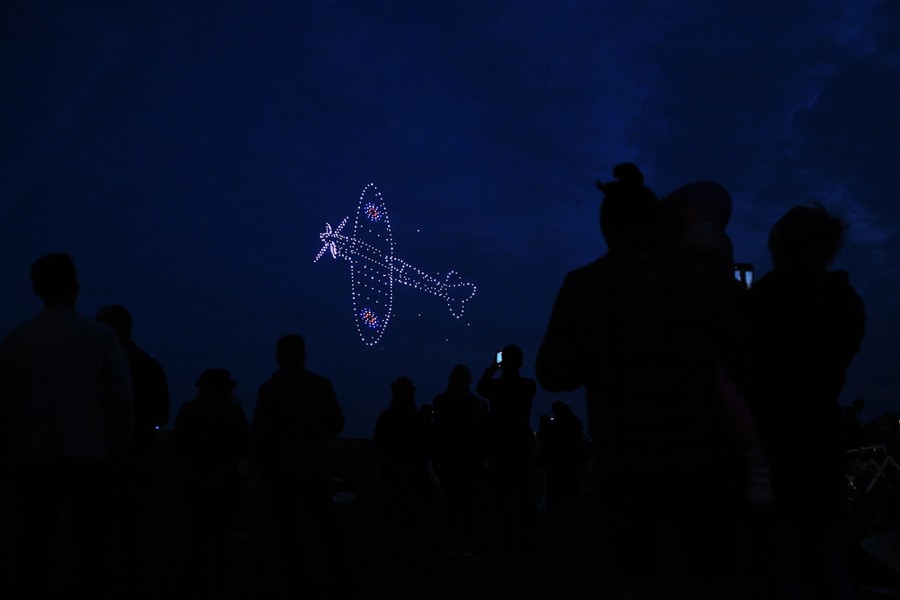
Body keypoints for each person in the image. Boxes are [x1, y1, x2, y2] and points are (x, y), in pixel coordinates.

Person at [535, 164, 747, 598]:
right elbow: (741, 361)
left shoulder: (583, 285)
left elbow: (553, 373)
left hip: (624, 462)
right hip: (700, 458)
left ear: (609, 227)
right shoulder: (703, 283)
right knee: (714, 576)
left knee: (635, 576)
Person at [723, 203, 865, 599]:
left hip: (772, 445)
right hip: (821, 438)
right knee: (828, 559)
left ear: (779, 247)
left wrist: (734, 306)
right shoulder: (845, 300)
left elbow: (741, 366)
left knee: (778, 564)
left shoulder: (760, 303)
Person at [0, 252, 133, 599]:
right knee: (91, 549)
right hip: (89, 458)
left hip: (33, 457)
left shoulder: (16, 340)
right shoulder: (100, 337)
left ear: (36, 288)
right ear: (74, 286)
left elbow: (6, 403)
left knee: (33, 547)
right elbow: (120, 401)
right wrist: (119, 450)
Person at [250, 333, 348, 589]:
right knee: (325, 524)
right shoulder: (320, 385)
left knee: (287, 527)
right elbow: (337, 423)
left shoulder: (269, 389)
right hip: (314, 467)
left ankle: (296, 578)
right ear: (303, 355)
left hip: (281, 470)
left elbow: (260, 433)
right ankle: (339, 573)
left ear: (279, 356)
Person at [94, 304, 170, 597]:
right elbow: (162, 414)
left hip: (104, 460)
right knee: (135, 532)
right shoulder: (150, 366)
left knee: (101, 532)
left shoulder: (100, 364)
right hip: (141, 460)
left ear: (113, 328)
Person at [173, 368, 249, 599]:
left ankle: (195, 583)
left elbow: (179, 445)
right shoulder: (233, 413)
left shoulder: (189, 411)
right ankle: (217, 584)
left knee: (197, 535)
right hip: (223, 482)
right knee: (219, 538)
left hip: (196, 480)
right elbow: (242, 448)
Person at [476, 343, 538, 554]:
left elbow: (481, 388)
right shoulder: (528, 386)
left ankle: (506, 544)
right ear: (520, 363)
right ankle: (527, 543)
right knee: (524, 499)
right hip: (520, 447)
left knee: (502, 500)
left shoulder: (496, 387)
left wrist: (493, 368)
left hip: (501, 448)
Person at [373, 375, 436, 557]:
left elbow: (380, 443)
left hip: (393, 470)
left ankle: (398, 552)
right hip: (414, 471)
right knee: (412, 515)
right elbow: (428, 446)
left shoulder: (386, 418)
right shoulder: (418, 419)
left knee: (395, 513)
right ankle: (412, 552)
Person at [431, 364, 486, 558]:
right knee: (467, 504)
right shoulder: (475, 403)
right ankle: (466, 545)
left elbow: (436, 433)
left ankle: (449, 545)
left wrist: (436, 459)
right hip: (469, 460)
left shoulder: (440, 401)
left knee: (451, 504)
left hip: (447, 460)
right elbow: (480, 433)